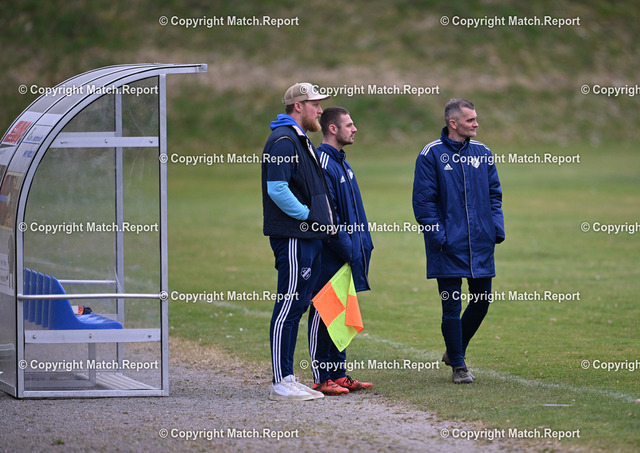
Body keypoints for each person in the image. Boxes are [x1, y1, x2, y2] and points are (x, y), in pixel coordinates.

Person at [412, 98, 505, 384]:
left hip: (480, 242)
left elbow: (494, 194)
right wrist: (439, 236)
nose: (476, 124)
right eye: (470, 120)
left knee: (482, 301)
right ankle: (459, 367)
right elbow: (423, 202)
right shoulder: (431, 154)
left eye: (475, 119)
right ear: (453, 123)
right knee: (451, 306)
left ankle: (454, 351)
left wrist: (495, 229)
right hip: (447, 246)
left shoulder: (482, 152)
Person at [262, 82, 335, 401]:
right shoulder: (283, 140)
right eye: (315, 104)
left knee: (298, 305)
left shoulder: (299, 139)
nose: (320, 110)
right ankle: (282, 380)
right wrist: (308, 216)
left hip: (308, 236)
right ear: (298, 106)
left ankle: (289, 377)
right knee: (289, 305)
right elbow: (277, 189)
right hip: (294, 235)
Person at [308, 107, 374, 395]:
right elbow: (327, 215)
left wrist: (362, 246)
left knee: (340, 313)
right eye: (349, 124)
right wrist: (348, 247)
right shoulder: (323, 162)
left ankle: (338, 373)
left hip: (347, 253)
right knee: (324, 311)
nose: (355, 129)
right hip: (330, 253)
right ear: (332, 129)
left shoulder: (342, 162)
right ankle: (321, 377)